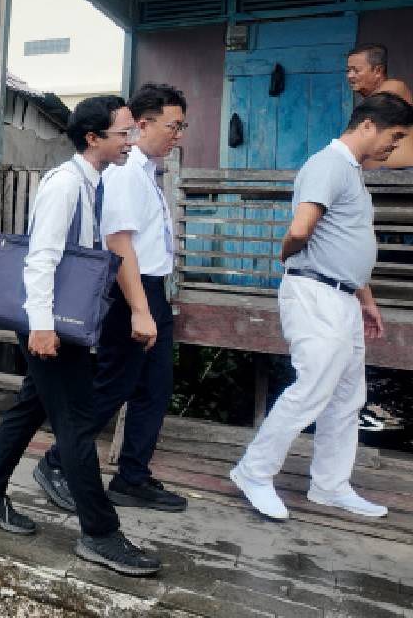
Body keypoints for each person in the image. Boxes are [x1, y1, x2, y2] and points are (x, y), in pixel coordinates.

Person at [0, 96, 162, 577]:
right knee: (75, 425)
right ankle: (100, 533)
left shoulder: (92, 183)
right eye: (124, 133)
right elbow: (41, 257)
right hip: (49, 323)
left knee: (30, 408)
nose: (131, 142)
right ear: (93, 138)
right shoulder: (66, 184)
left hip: (58, 322)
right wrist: (42, 327)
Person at [230, 93, 413, 521]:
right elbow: (301, 229)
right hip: (316, 293)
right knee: (312, 387)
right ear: (367, 125)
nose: (395, 146)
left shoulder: (351, 172)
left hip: (342, 296)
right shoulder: (328, 165)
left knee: (348, 395)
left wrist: (365, 299)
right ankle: (254, 471)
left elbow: (343, 241)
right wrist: (287, 254)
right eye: (394, 136)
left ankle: (330, 486)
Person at [36, 84, 189, 514]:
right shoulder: (124, 171)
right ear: (143, 124)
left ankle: (132, 476)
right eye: (173, 126)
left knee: (152, 387)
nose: (178, 135)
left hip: (150, 288)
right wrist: (140, 309)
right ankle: (58, 462)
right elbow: (118, 242)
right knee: (113, 384)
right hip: (131, 291)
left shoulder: (144, 172)